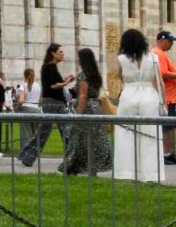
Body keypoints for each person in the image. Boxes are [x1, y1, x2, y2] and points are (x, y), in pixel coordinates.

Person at [112, 28, 167, 181]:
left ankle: (126, 172)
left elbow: (120, 77)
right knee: (150, 135)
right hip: (149, 95)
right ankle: (151, 174)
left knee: (126, 135)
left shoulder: (122, 58)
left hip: (129, 94)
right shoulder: (153, 58)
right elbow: (159, 82)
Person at [60, 47, 110, 175]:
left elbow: (83, 95)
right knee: (93, 141)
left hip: (86, 109)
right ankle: (91, 169)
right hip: (96, 108)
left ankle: (72, 167)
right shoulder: (96, 75)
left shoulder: (83, 75)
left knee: (78, 141)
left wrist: (77, 114)